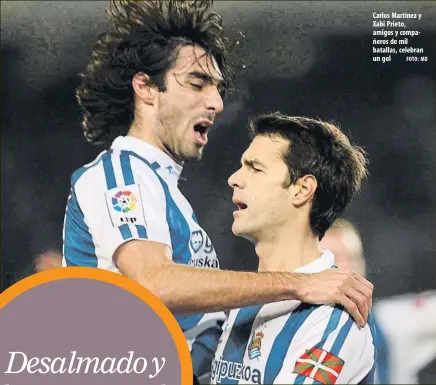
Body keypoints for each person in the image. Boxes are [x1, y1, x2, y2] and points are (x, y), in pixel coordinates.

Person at [62, 0, 373, 380]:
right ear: (145, 88)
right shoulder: (122, 173)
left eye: (218, 88)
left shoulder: (166, 193)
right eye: (197, 83)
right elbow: (153, 283)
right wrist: (301, 283)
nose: (216, 102)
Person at [211, 113, 376, 384]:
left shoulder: (333, 320)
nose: (234, 178)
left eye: (255, 168)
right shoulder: (245, 302)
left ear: (302, 190)